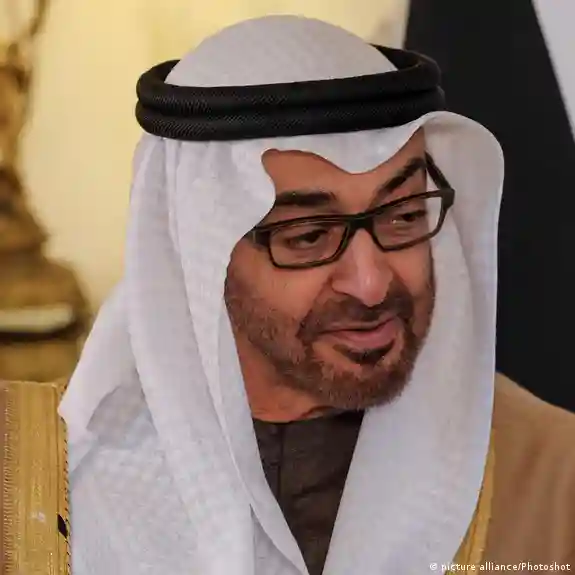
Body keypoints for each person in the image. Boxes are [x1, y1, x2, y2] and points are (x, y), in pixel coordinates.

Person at [2, 15, 575, 575]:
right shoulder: (28, 478)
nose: (371, 283)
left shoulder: (550, 477)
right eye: (308, 236)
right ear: (201, 252)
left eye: (402, 216)